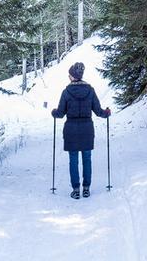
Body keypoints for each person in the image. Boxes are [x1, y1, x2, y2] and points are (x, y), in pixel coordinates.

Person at [50, 61, 111, 199]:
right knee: (87, 159)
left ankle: (76, 189)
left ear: (72, 76)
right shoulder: (90, 90)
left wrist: (53, 112)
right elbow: (98, 111)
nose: (68, 77)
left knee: (73, 160)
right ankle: (86, 188)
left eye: (69, 75)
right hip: (87, 129)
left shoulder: (66, 92)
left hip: (71, 129)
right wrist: (106, 113)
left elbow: (60, 114)